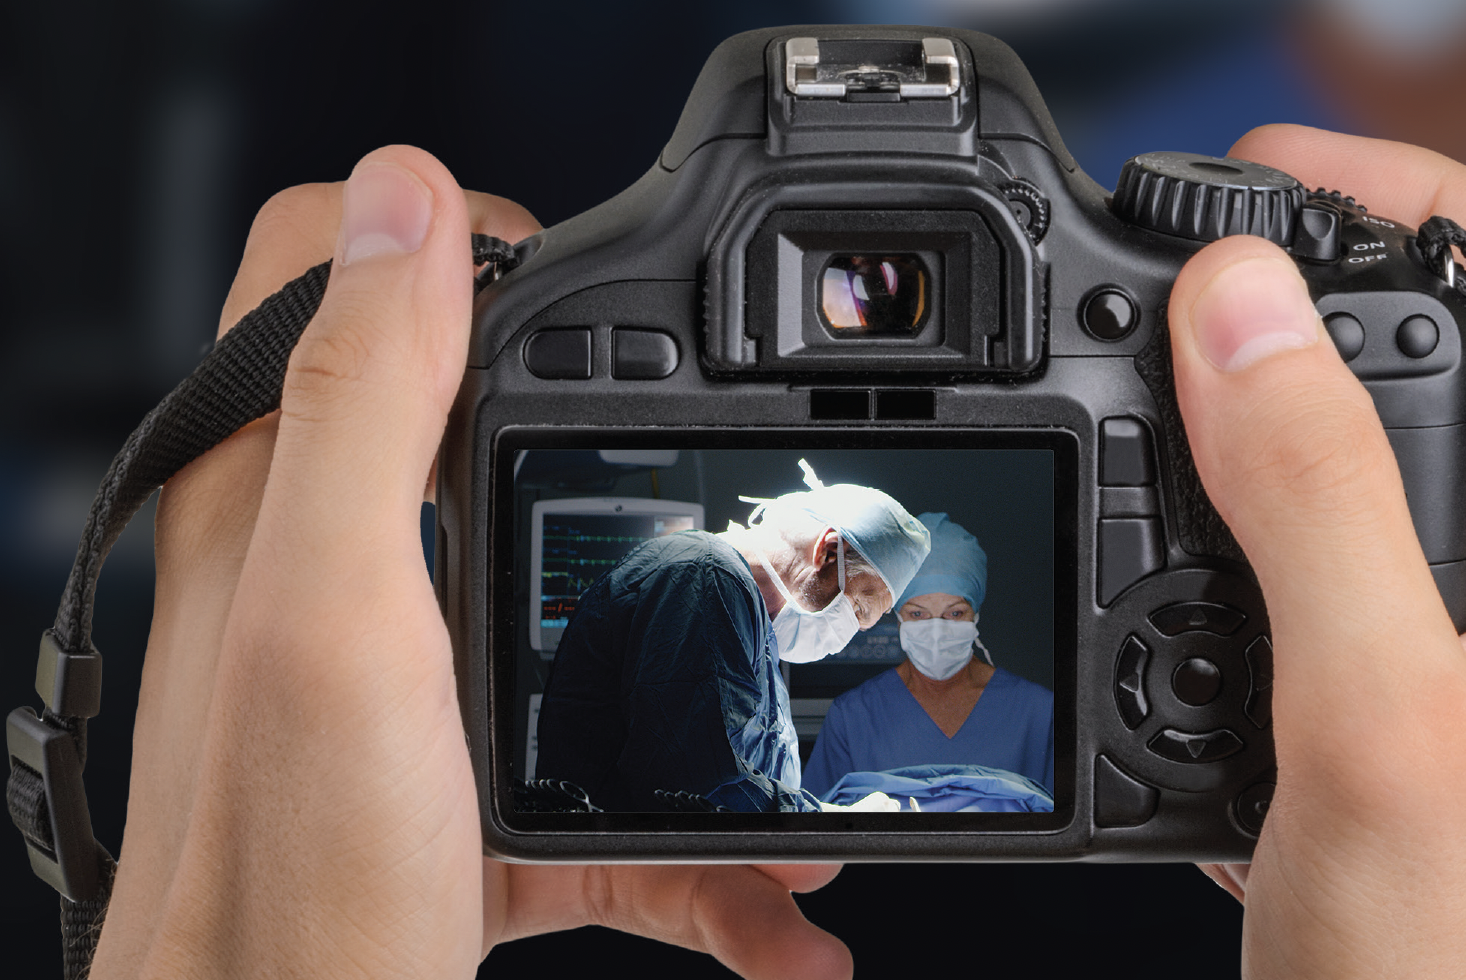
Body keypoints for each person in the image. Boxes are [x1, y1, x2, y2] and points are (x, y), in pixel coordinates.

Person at [81, 125, 1466, 978]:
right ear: (819, 561)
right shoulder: (702, 583)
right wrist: (859, 814)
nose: (867, 628)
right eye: (868, 600)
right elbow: (717, 783)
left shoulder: (703, 583)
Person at [534, 460, 931, 812]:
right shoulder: (703, 578)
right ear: (827, 551)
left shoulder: (753, 627)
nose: (852, 629)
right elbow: (698, 780)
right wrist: (824, 822)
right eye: (859, 607)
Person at [802, 513, 1055, 800]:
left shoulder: (1037, 713)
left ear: (976, 615)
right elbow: (820, 826)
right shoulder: (854, 717)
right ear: (897, 618)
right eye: (918, 614)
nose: (936, 629)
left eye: (955, 613)